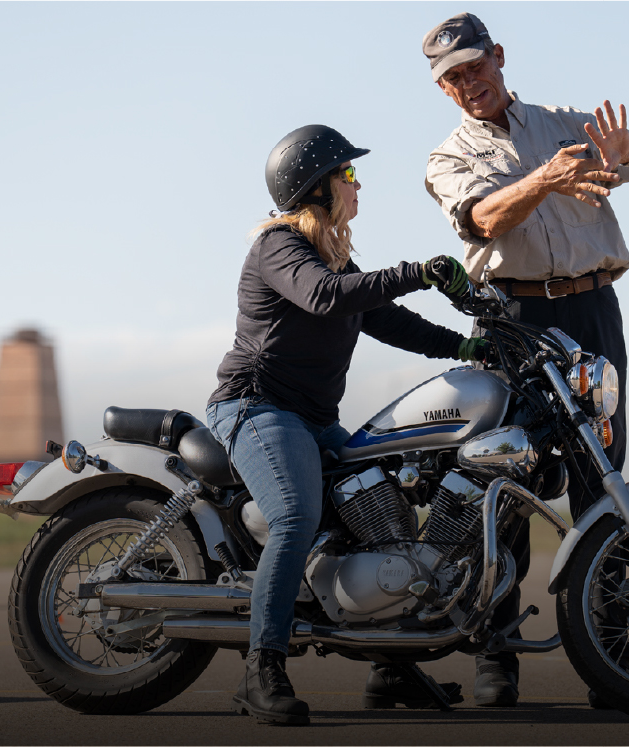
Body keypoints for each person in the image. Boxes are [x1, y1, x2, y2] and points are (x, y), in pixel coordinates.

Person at [420, 12, 629, 708]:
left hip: (594, 315)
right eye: (453, 77)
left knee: (603, 482)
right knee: (506, 485)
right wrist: (546, 179)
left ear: (500, 58)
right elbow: (480, 220)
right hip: (517, 321)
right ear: (442, 89)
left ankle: (611, 656)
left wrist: (625, 156)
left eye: (475, 66)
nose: (468, 83)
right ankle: (496, 656)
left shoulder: (569, 121)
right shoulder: (447, 157)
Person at [206, 124, 487, 725]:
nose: (358, 184)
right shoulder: (279, 247)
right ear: (317, 187)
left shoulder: (332, 254)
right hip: (258, 408)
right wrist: (422, 269)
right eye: (349, 174)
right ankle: (262, 668)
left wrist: (467, 346)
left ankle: (390, 667)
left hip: (312, 419)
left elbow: (386, 319)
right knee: (295, 515)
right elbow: (329, 297)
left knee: (385, 504)